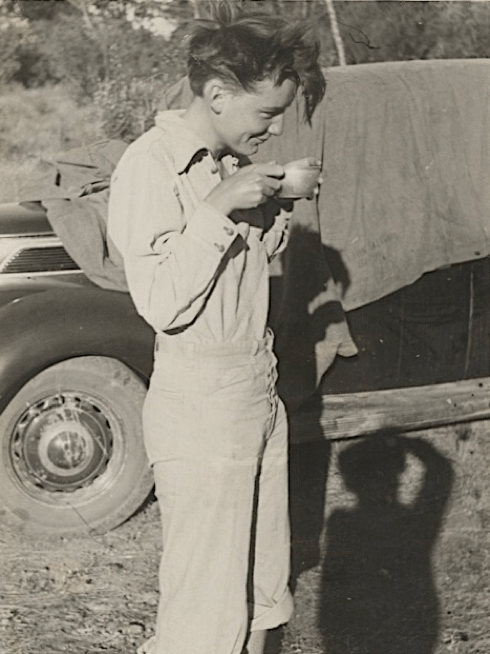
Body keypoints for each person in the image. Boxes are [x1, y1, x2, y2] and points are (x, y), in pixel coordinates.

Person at [107, 2, 325, 653]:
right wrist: (216, 209)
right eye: (267, 113)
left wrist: (273, 214)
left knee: (262, 597)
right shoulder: (151, 166)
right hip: (201, 403)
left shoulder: (228, 161)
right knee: (205, 615)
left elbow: (234, 277)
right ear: (219, 94)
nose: (276, 127)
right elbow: (162, 302)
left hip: (256, 389)